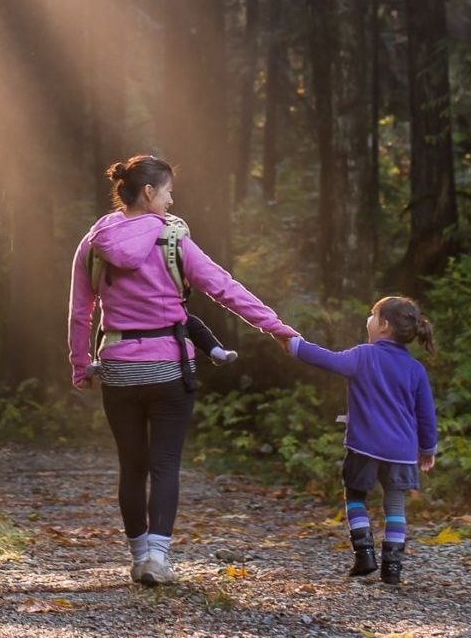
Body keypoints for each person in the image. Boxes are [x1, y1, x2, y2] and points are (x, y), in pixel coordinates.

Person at [70, 154, 299, 585]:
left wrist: (81, 365)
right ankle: (158, 558)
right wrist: (277, 328)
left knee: (131, 466)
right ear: (150, 192)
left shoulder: (94, 241)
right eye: (169, 191)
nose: (173, 202)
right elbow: (225, 289)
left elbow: (80, 312)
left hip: (118, 368)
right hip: (170, 369)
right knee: (165, 465)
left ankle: (138, 558)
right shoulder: (173, 240)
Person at [285, 296, 438, 585]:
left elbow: (327, 359)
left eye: (372, 315)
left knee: (355, 495)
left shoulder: (363, 356)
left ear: (383, 325)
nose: (367, 320)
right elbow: (426, 415)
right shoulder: (416, 369)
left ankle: (364, 554)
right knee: (395, 506)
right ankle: (392, 568)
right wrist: (427, 449)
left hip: (364, 445)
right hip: (402, 452)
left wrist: (294, 345)